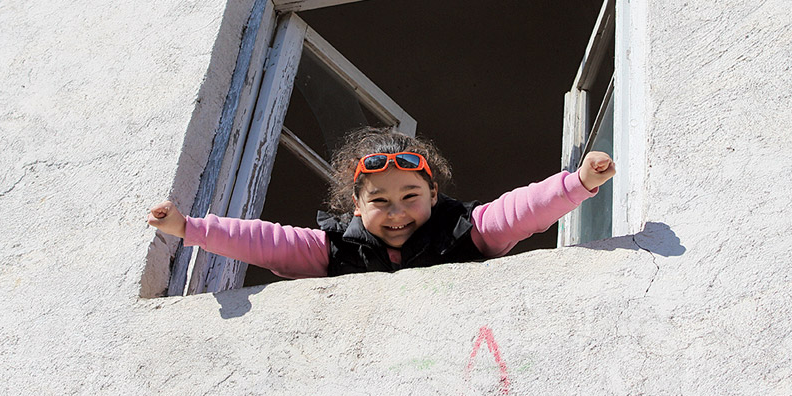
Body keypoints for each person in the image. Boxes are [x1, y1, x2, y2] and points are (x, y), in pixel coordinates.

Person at [147, 127, 615, 278]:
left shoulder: (465, 230)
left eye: (411, 196)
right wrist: (188, 229)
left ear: (434, 194)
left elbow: (520, 211)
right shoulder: (335, 248)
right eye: (379, 200)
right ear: (355, 205)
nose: (396, 212)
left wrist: (579, 183)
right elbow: (266, 242)